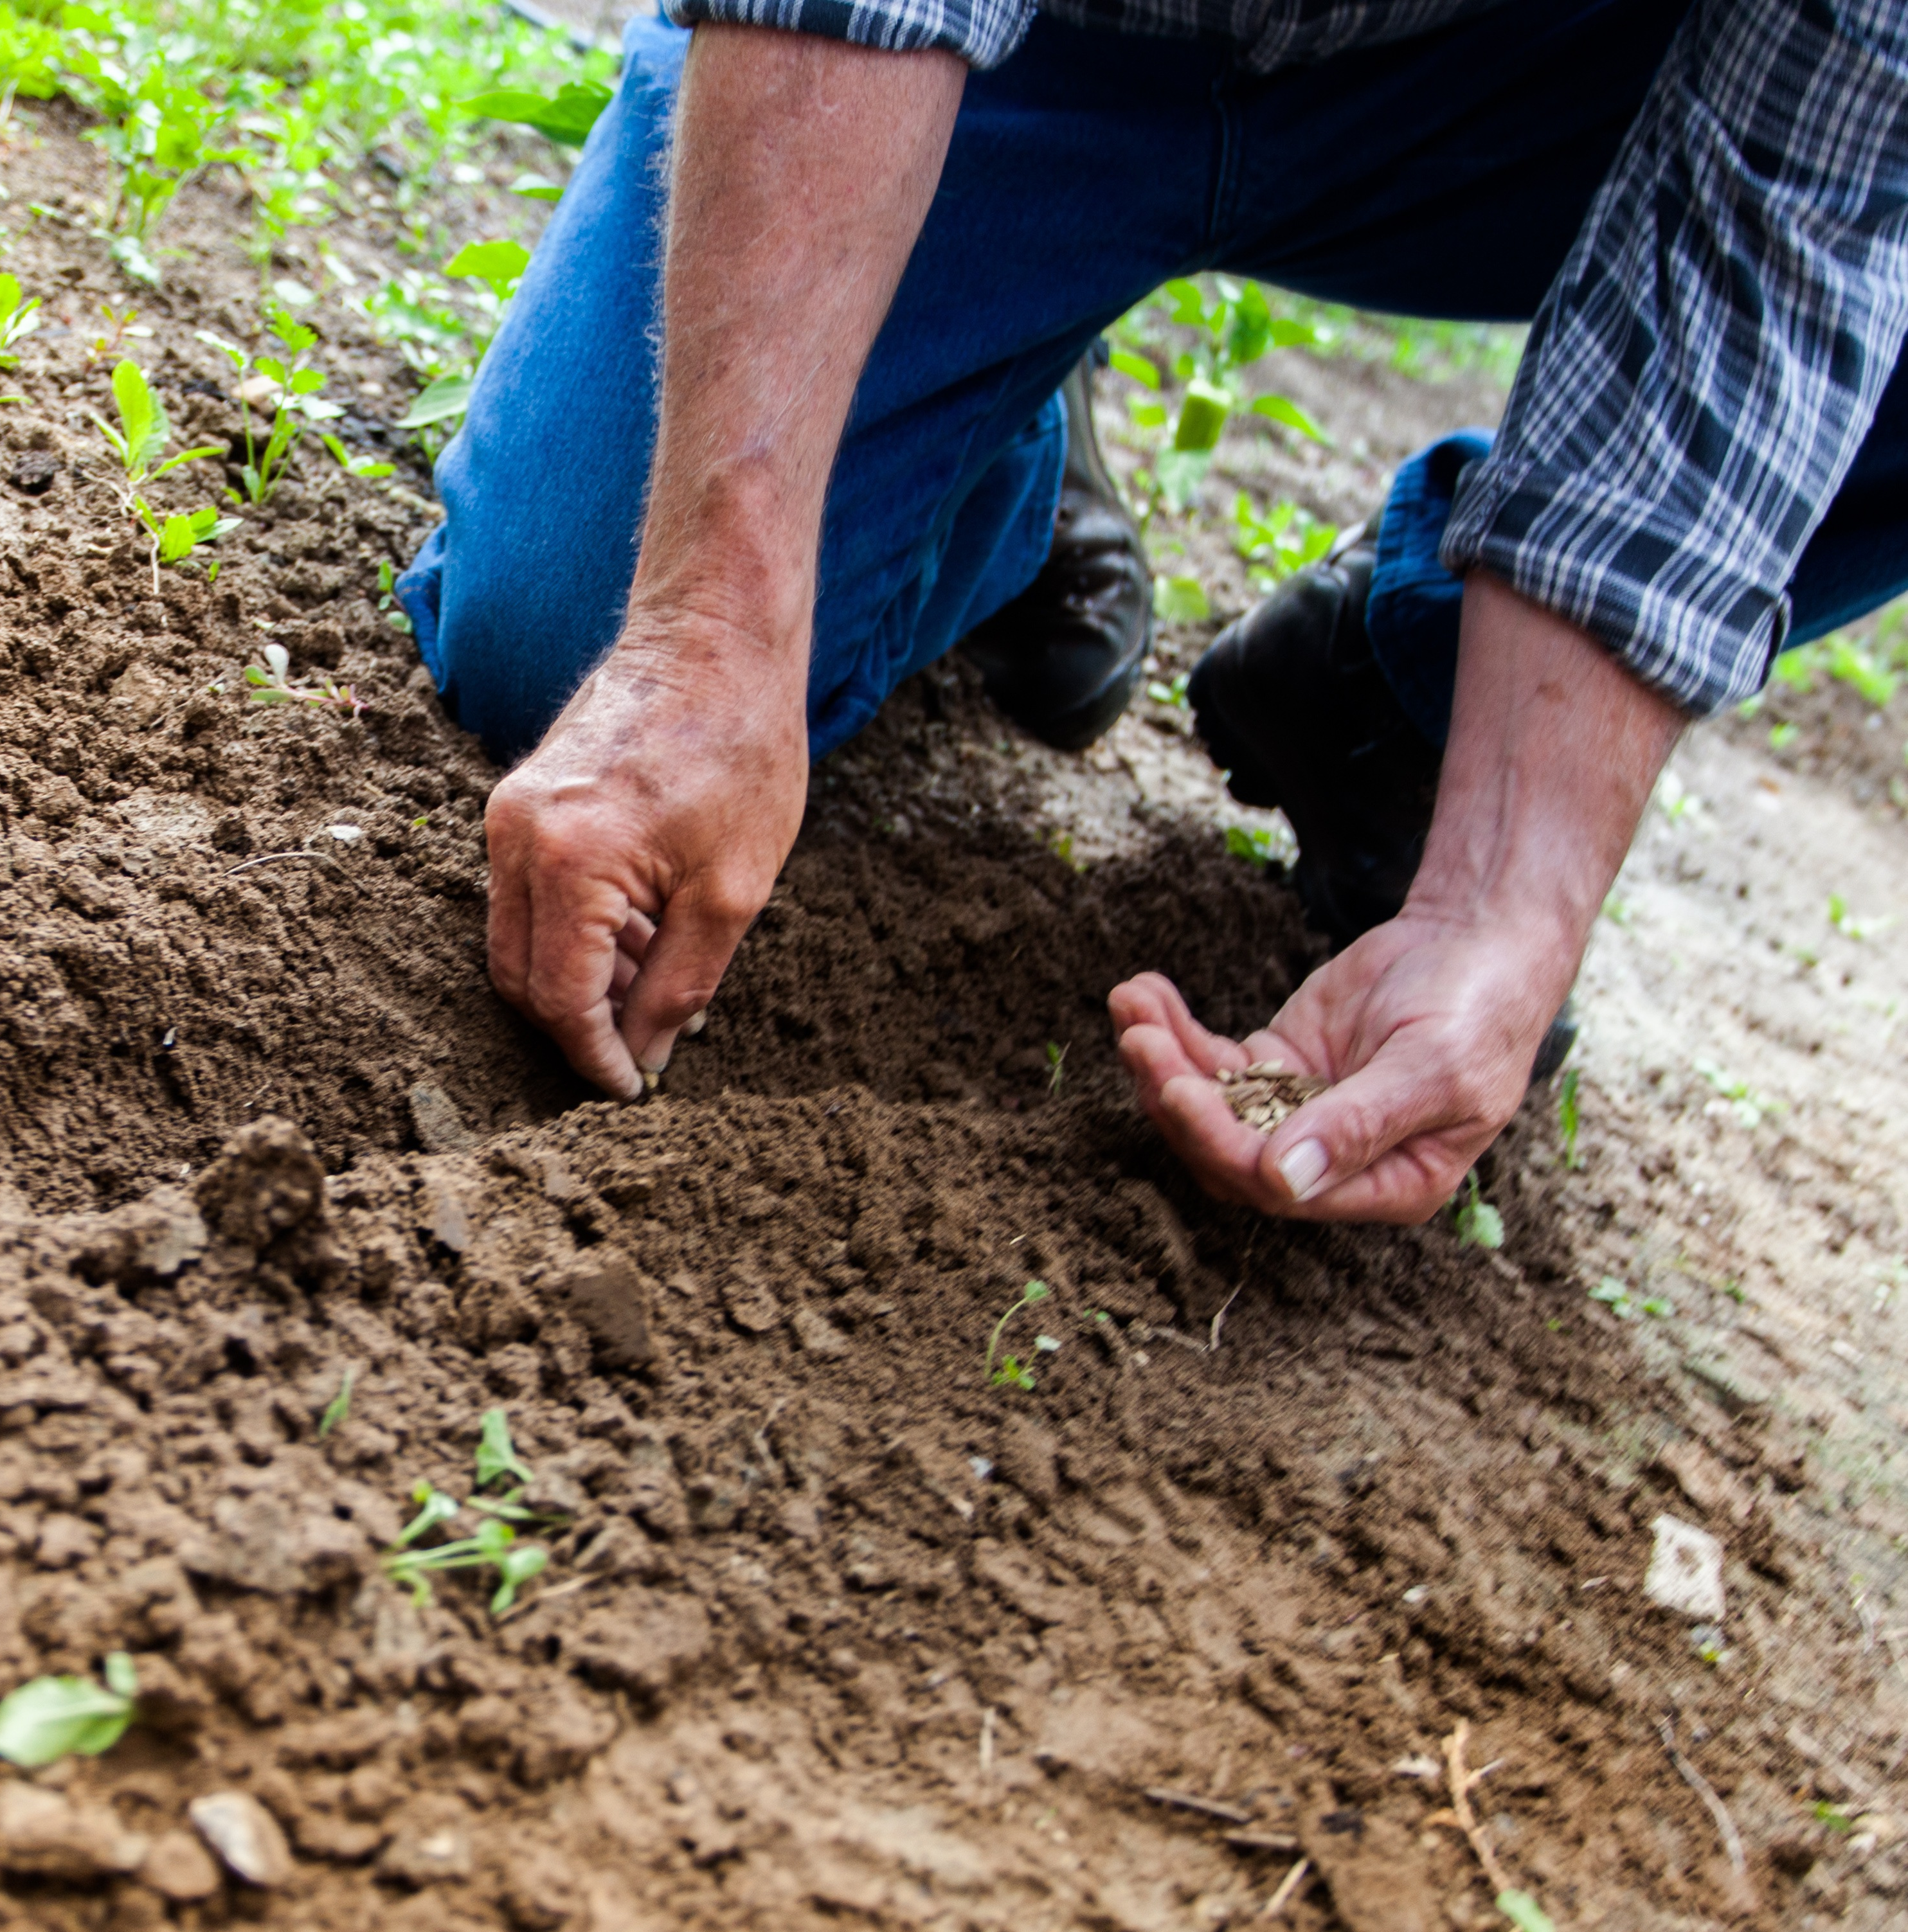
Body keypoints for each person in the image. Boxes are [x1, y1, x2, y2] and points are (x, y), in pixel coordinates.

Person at [396, 0, 1908, 1223]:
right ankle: (995, 420)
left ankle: (1417, 693)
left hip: (1526, 82)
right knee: (567, 637)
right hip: (1041, 46)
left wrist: (1500, 902)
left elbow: (1796, 211)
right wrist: (708, 631)